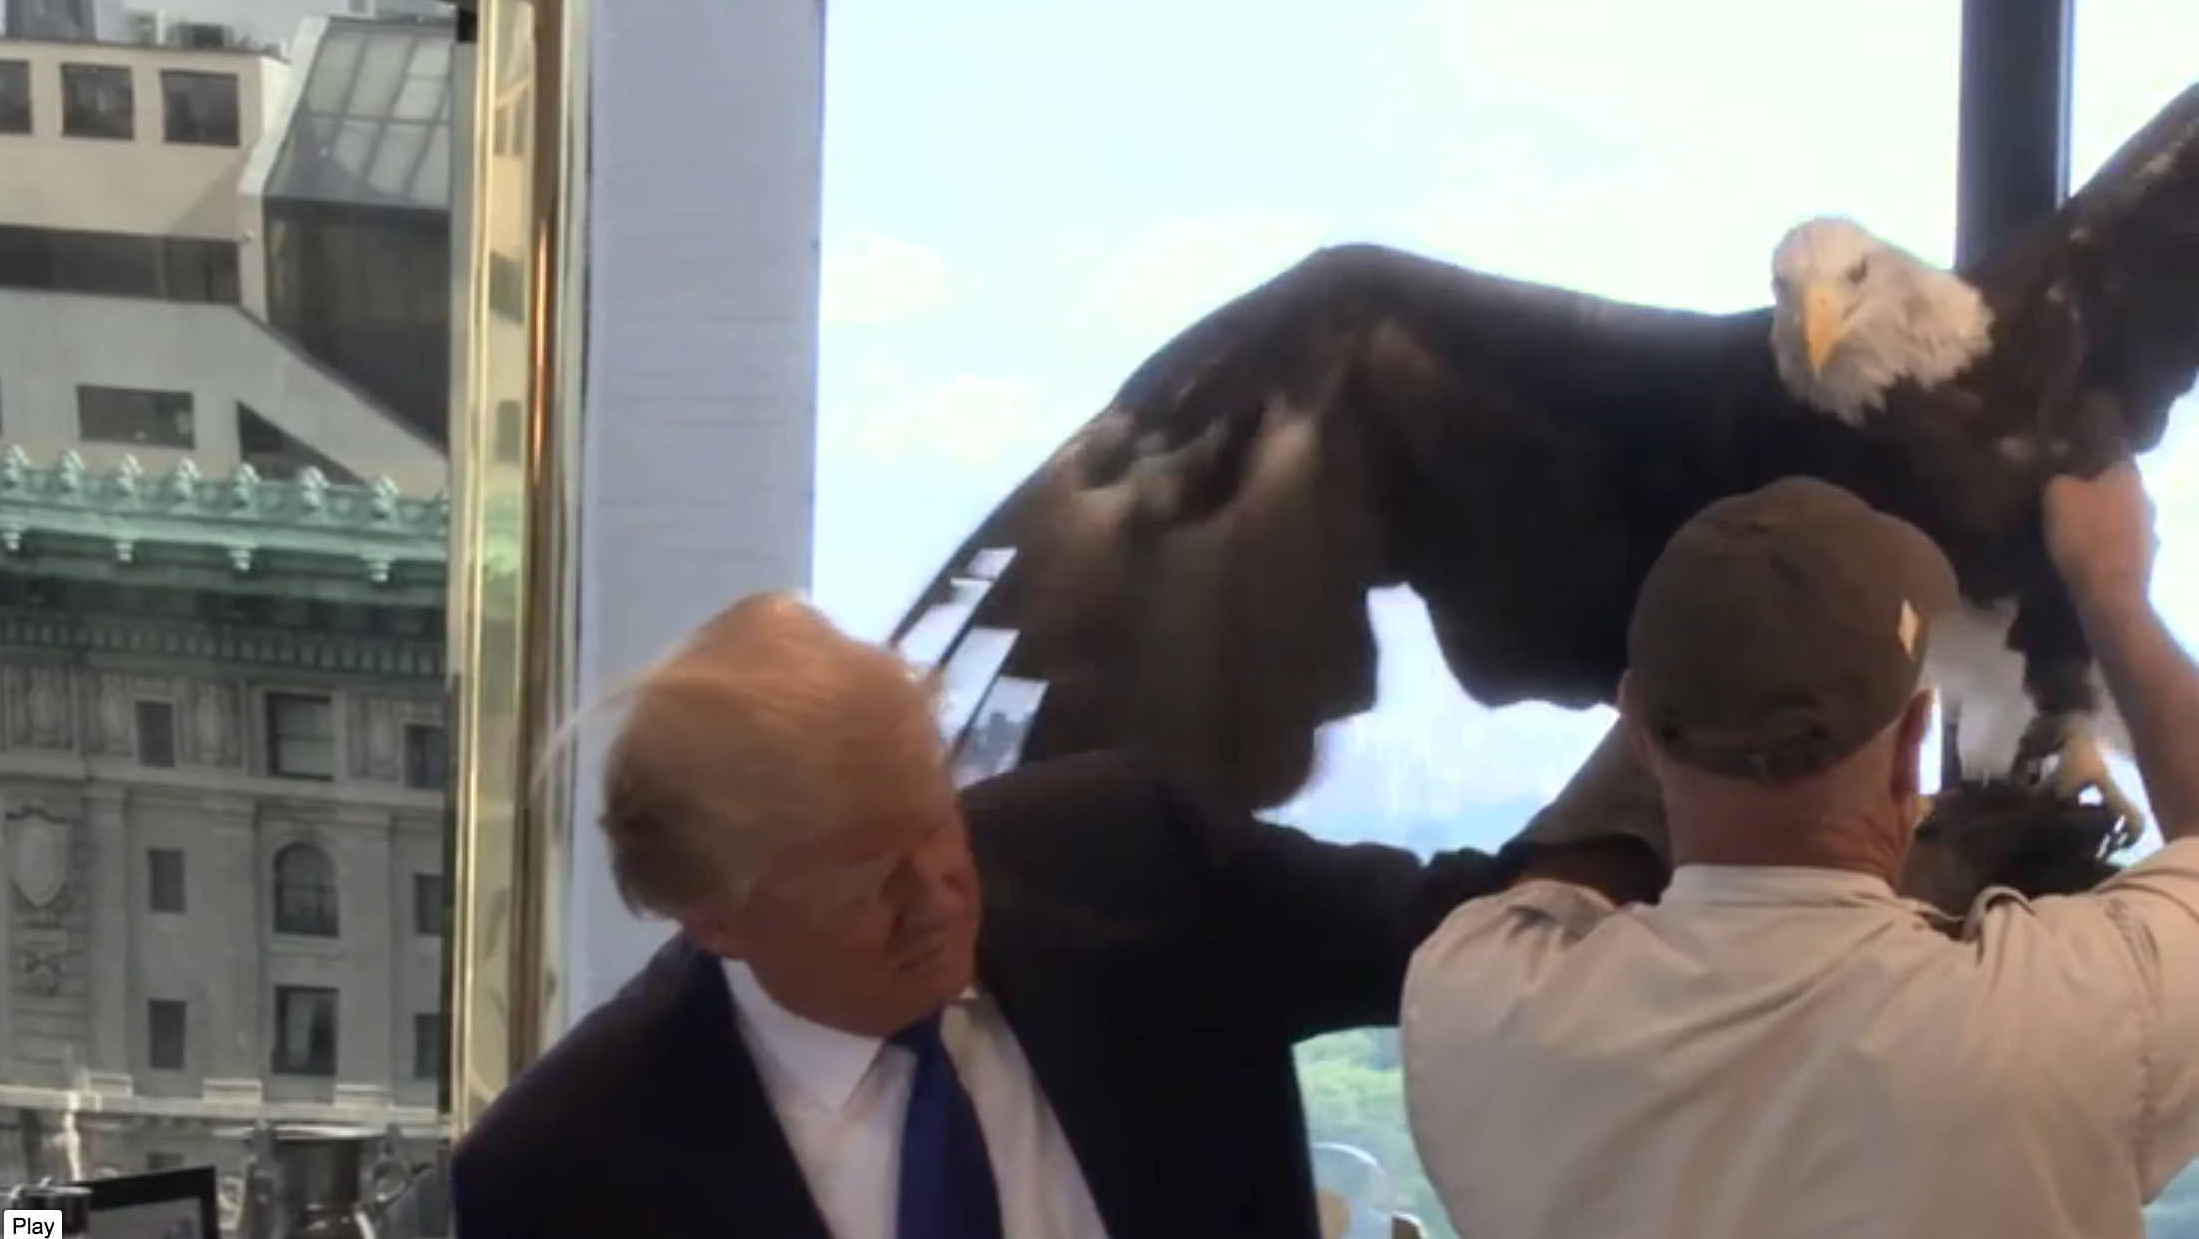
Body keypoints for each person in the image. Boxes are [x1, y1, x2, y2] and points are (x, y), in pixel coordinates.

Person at [448, 590, 1670, 1239]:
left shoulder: (1131, 859)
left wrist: (1694, 744)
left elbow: (1464, 923)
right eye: (869, 878)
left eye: (939, 824)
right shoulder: (567, 1173)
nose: (941, 891)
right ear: (714, 917)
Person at [1400, 468, 2199, 1238]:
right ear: (1911, 744)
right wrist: (2113, 595)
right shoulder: (2069, 1022)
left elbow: (1560, 869)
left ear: (1640, 727)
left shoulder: (1474, 1009)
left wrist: (1713, 664)